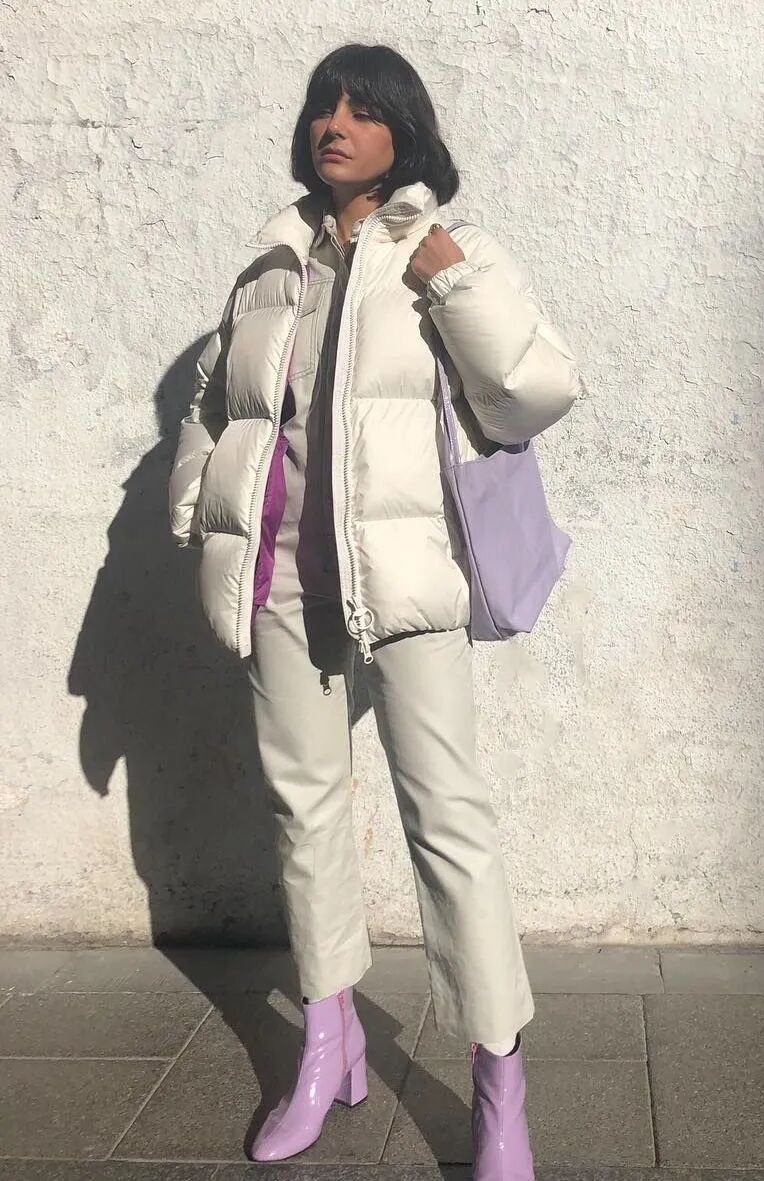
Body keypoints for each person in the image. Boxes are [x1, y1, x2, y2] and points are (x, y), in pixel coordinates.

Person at [168, 41, 581, 1179]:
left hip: (405, 578)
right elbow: (215, 401)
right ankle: (328, 1044)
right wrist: (199, 504)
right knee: (303, 813)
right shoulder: (270, 264)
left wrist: (451, 280)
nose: (333, 125)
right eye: (322, 107)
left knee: (448, 819)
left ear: (405, 129)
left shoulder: (447, 251)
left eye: (360, 109)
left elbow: (536, 390)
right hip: (280, 581)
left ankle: (498, 1084)